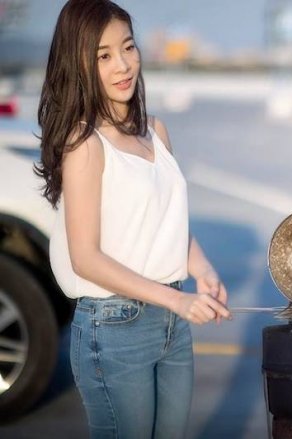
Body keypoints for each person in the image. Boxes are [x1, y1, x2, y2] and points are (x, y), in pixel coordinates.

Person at [34, 1, 232, 437]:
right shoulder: (84, 143)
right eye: (103, 56)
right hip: (113, 326)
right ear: (78, 64)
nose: (123, 65)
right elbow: (85, 258)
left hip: (171, 322)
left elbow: (167, 224)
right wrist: (176, 301)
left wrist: (203, 271)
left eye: (127, 47)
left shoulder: (156, 132)